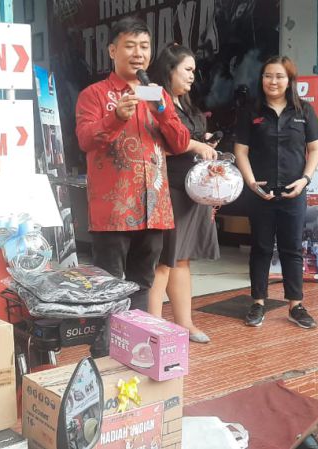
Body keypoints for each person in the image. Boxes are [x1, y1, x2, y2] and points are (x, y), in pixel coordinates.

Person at [75, 17, 190, 356]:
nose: (138, 53)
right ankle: (104, 351)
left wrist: (163, 111)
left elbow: (181, 143)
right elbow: (85, 139)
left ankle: (135, 348)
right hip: (113, 212)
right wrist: (116, 117)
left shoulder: (158, 94)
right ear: (112, 51)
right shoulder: (93, 95)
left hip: (154, 209)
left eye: (144, 46)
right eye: (130, 46)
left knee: (143, 282)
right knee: (109, 285)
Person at [234, 56, 318, 329]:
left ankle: (296, 305)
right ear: (261, 79)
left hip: (294, 192)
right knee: (260, 247)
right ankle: (258, 302)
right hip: (260, 193)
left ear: (289, 80)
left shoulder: (304, 110)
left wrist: (305, 180)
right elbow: (241, 151)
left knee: (291, 248)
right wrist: (251, 183)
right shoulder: (250, 111)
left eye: (279, 76)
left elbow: (316, 148)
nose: (273, 81)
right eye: (268, 76)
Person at [145, 44, 219, 344]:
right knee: (164, 261)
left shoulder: (187, 105)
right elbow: (157, 142)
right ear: (169, 70)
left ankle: (185, 323)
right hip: (169, 189)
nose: (192, 76)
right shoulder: (152, 97)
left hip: (194, 190)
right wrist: (195, 145)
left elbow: (186, 139)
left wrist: (205, 143)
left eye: (193, 71)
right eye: (187, 70)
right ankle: (152, 327)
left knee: (183, 259)